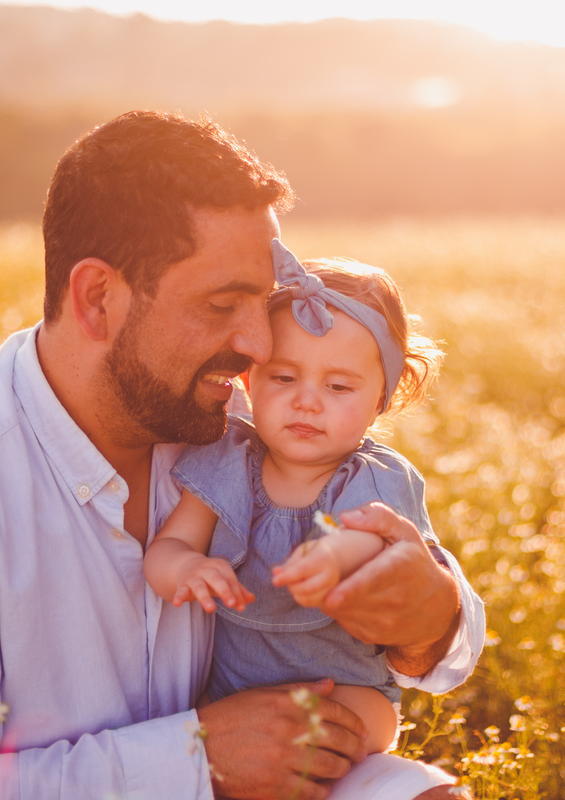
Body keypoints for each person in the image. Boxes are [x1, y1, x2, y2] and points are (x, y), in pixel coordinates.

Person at [0, 110, 485, 800]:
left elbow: (434, 637)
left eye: (262, 303)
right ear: (97, 298)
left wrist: (432, 617)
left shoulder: (235, 419)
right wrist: (197, 759)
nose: (260, 348)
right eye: (221, 304)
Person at [145, 245, 446, 755]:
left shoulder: (371, 476)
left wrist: (330, 555)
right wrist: (186, 569)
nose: (307, 400)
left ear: (380, 401)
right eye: (284, 378)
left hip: (343, 688)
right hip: (230, 695)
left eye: (338, 386)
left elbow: (371, 543)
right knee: (195, 731)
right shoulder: (228, 459)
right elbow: (169, 545)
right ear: (249, 380)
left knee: (360, 727)